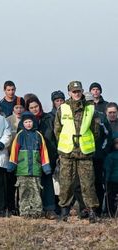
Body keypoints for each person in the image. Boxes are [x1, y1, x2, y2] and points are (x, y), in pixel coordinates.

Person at [54, 81, 99, 223]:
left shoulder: (90, 108)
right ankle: (64, 212)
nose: (76, 94)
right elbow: (57, 130)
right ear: (69, 93)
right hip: (67, 152)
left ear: (82, 91)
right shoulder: (63, 108)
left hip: (84, 152)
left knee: (88, 183)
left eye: (78, 91)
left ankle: (92, 211)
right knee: (66, 183)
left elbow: (96, 130)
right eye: (74, 92)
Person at [8, 112, 52, 217]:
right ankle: (24, 211)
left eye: (30, 121)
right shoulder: (20, 135)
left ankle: (36, 211)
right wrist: (11, 165)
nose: (28, 124)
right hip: (22, 170)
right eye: (26, 122)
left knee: (36, 191)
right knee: (23, 191)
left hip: (36, 169)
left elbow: (43, 152)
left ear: (34, 122)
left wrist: (46, 167)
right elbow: (14, 151)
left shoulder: (38, 135)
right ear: (23, 123)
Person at [26, 95, 58, 219]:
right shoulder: (26, 121)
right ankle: (35, 209)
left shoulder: (49, 118)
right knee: (33, 183)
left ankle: (50, 209)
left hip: (48, 155)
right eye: (31, 107)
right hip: (32, 157)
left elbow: (56, 135)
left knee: (47, 182)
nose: (34, 109)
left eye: (36, 106)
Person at [6, 97, 25, 215]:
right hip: (11, 156)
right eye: (16, 107)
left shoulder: (27, 120)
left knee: (22, 185)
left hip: (23, 158)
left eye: (21, 107)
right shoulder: (8, 120)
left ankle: (21, 206)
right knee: (11, 184)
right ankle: (11, 207)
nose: (19, 110)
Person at [104, 132, 118, 217]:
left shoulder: (110, 156)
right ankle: (110, 212)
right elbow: (107, 169)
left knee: (110, 197)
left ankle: (110, 212)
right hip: (112, 181)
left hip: (113, 180)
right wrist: (106, 179)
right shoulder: (110, 156)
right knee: (110, 198)